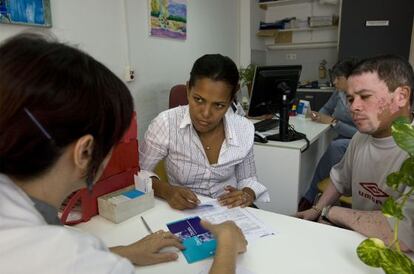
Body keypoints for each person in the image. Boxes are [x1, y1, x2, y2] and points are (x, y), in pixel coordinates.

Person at [0, 33, 247, 274]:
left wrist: (124, 251)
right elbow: (69, 261)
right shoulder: (65, 255)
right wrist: (226, 243)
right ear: (85, 152)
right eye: (113, 142)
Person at [296, 55, 414, 252]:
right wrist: (316, 210)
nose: (353, 107)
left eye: (365, 96)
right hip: (361, 242)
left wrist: (330, 212)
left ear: (401, 96)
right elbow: (340, 178)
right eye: (351, 99)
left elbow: (405, 233)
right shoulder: (361, 137)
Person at [140, 54, 270, 210]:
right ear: (188, 89)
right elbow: (140, 173)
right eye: (198, 100)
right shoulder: (165, 123)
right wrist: (167, 191)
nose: (206, 114)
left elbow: (248, 178)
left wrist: (246, 194)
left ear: (230, 100)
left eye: (219, 105)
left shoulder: (243, 128)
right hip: (184, 211)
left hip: (230, 211)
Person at [298, 59, 358, 210]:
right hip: (341, 139)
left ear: (351, 78)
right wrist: (317, 116)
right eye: (334, 77)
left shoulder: (360, 97)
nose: (334, 82)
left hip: (356, 141)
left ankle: (310, 198)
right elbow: (326, 108)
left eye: (339, 78)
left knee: (335, 147)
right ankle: (313, 196)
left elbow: (362, 133)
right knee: (331, 152)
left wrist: (334, 122)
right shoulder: (339, 94)